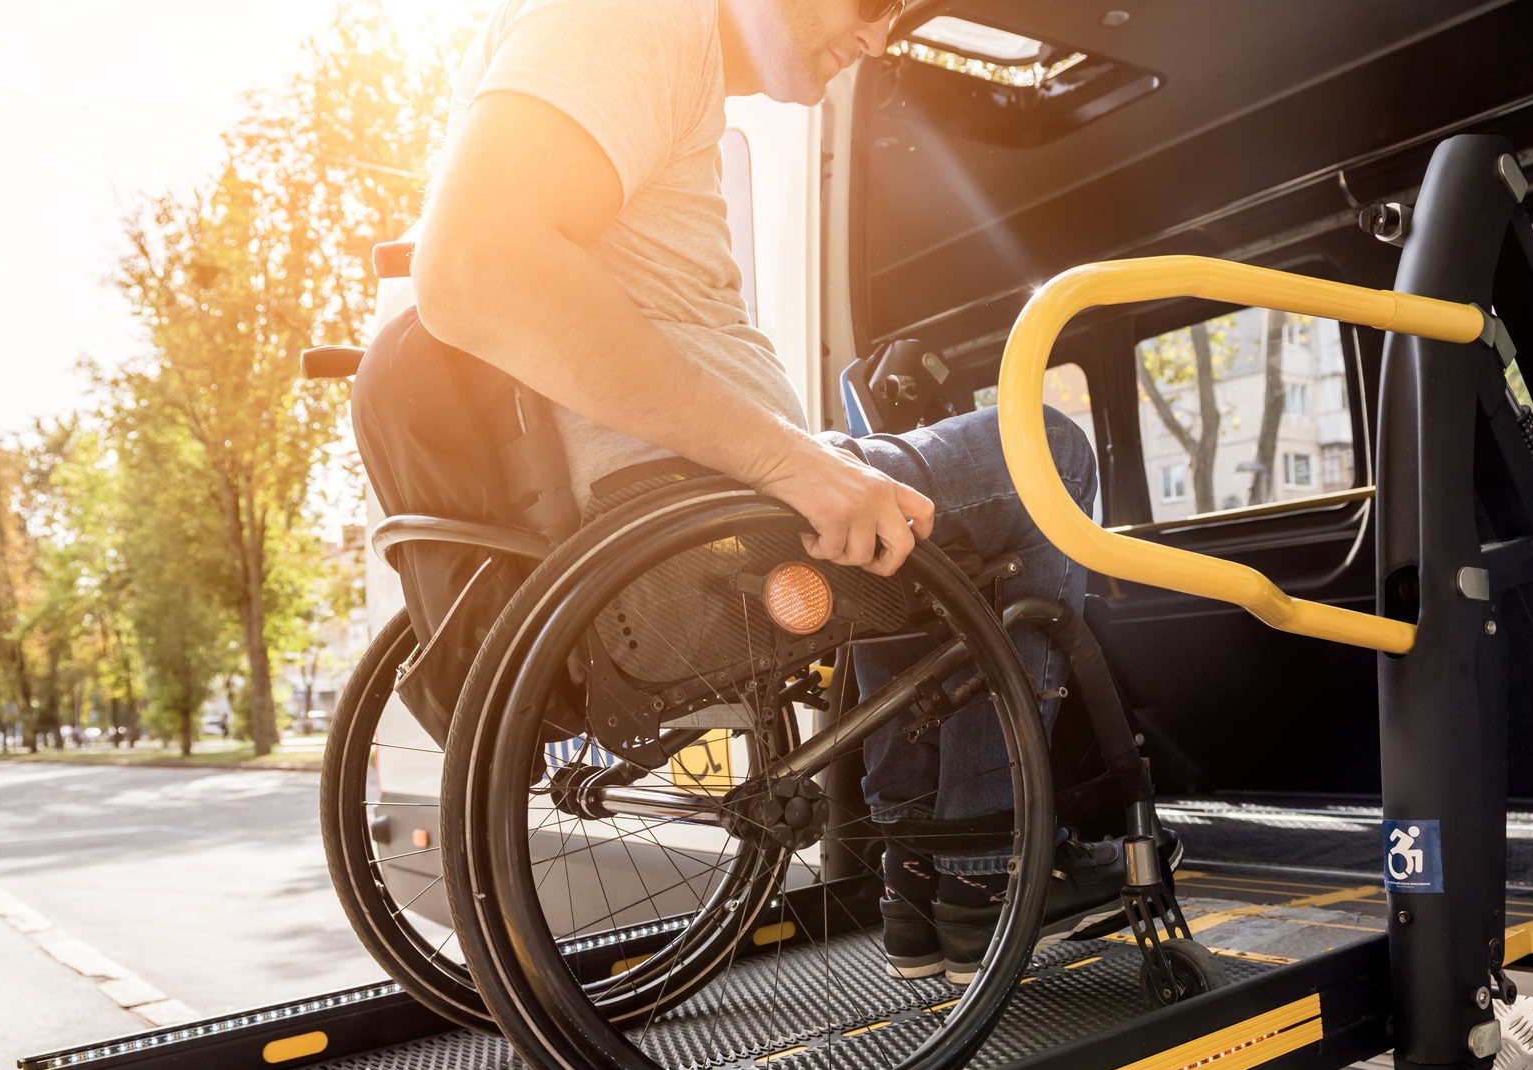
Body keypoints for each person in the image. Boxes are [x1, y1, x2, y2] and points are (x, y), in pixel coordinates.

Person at [404, 0, 1157, 984]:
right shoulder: (636, 21)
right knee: (1041, 448)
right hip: (702, 504)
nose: (882, 35)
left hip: (702, 486)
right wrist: (794, 466)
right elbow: (475, 265)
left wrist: (807, 457)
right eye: (872, 3)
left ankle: (922, 872)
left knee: (906, 515)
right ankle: (983, 862)